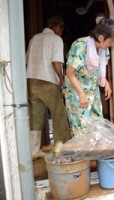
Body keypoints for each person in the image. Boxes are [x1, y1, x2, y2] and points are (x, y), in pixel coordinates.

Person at [63, 18, 114, 136]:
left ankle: (94, 152)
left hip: (92, 91)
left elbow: (97, 71)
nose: (112, 45)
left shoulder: (103, 50)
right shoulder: (80, 46)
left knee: (97, 124)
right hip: (77, 92)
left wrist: (106, 83)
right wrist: (81, 94)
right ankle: (83, 152)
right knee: (81, 126)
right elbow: (70, 73)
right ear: (101, 38)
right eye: (111, 42)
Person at [26, 15, 71, 159]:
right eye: (61, 29)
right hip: (48, 81)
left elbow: (27, 60)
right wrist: (61, 79)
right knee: (59, 113)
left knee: (36, 116)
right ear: (58, 27)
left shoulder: (34, 38)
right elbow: (56, 62)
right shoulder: (56, 39)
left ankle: (33, 151)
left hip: (32, 81)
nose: (61, 32)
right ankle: (60, 147)